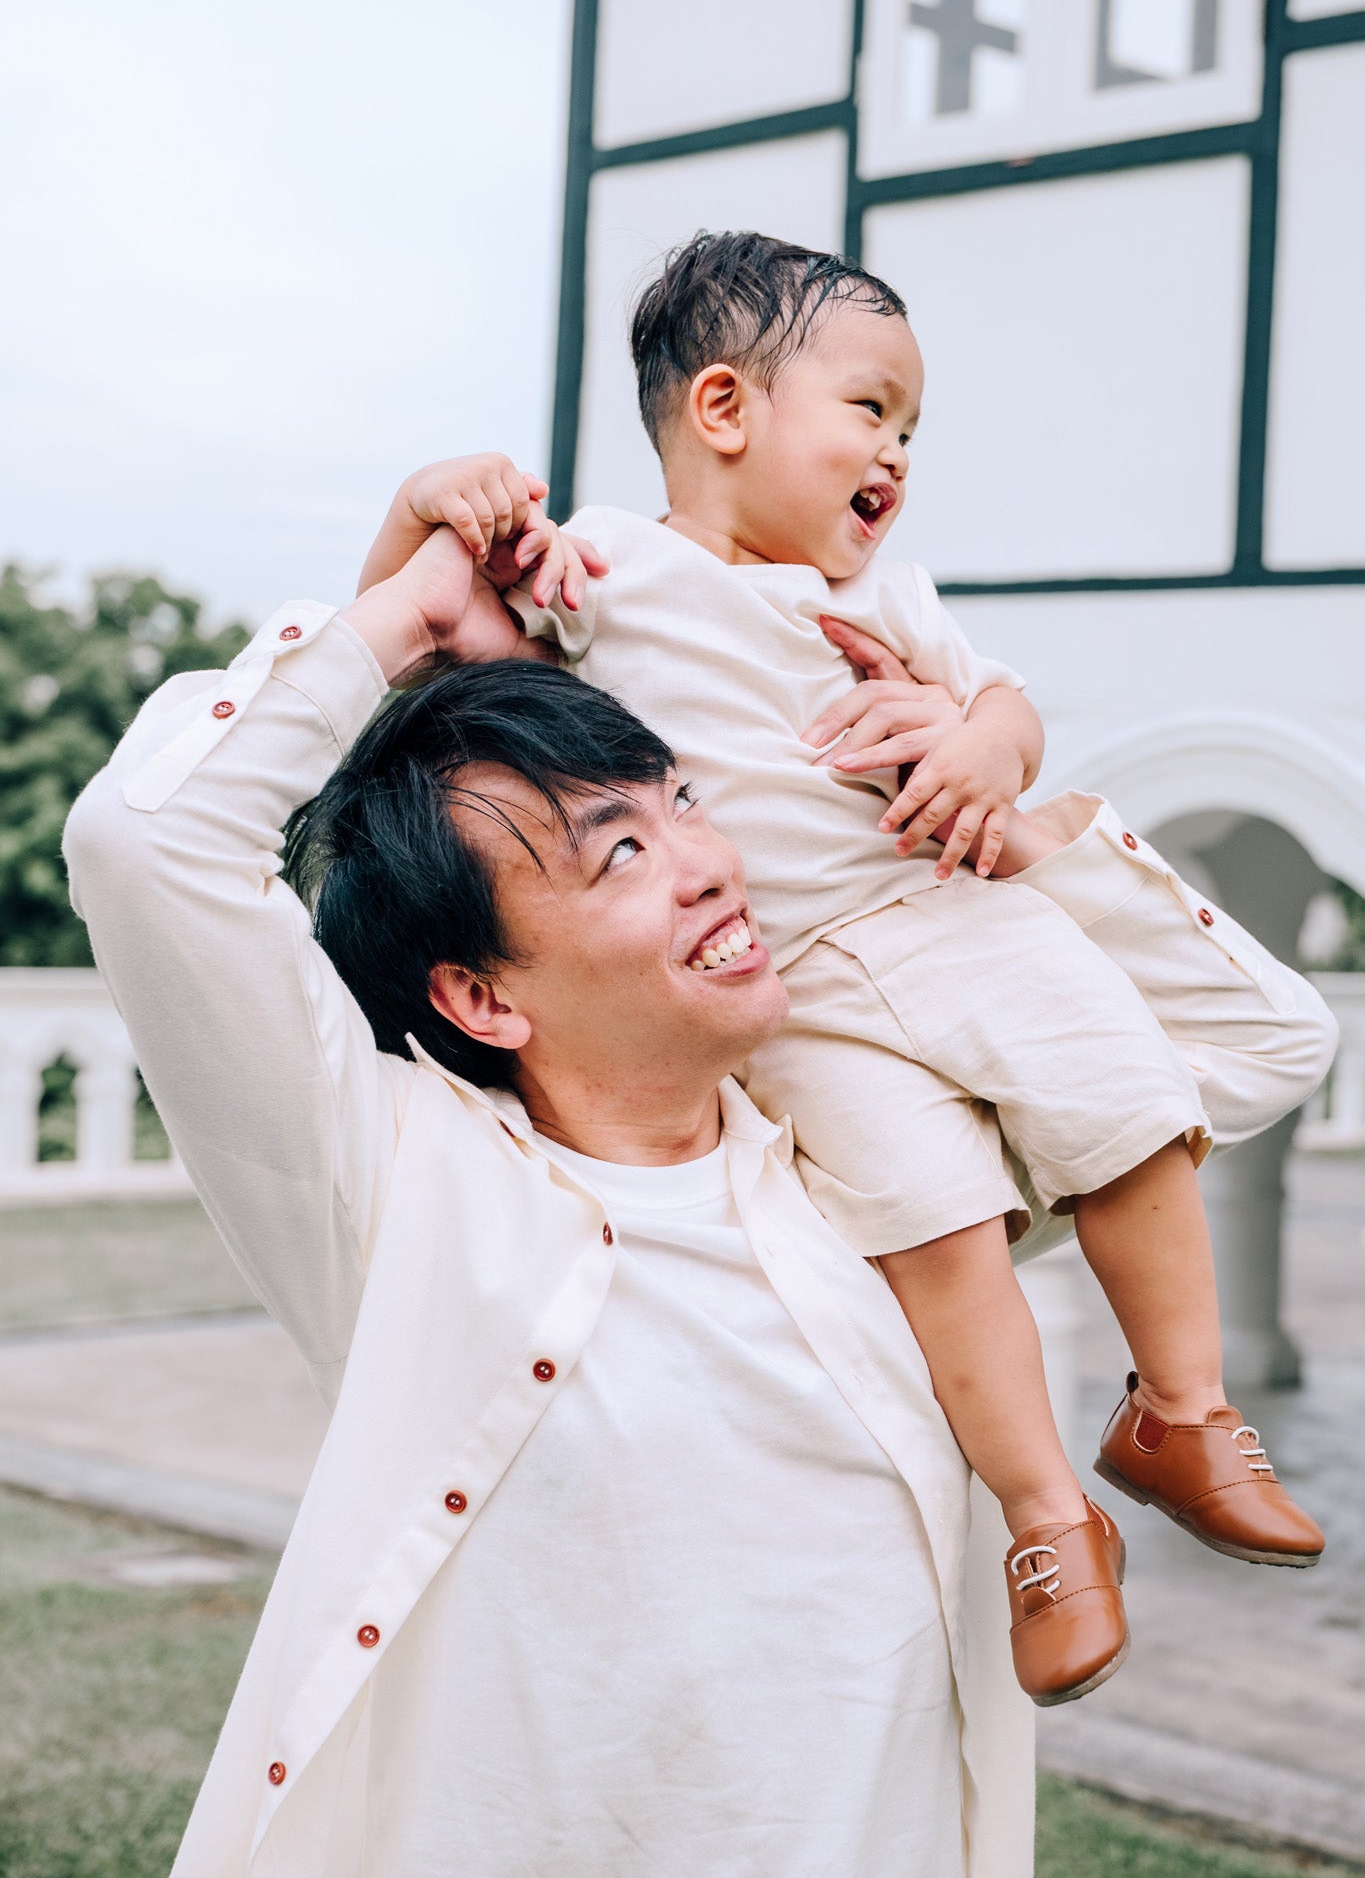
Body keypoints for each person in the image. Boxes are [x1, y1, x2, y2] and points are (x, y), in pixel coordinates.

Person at [65, 490, 1332, 1877]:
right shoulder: (391, 1187)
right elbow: (148, 850)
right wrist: (408, 625)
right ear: (480, 996)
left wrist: (1012, 824)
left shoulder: (881, 1184)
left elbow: (1252, 1043)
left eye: (684, 806)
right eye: (620, 852)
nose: (710, 869)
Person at [371, 231, 1337, 1711]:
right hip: (793, 993)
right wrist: (439, 508)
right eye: (870, 409)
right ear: (722, 411)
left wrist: (980, 755)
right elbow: (439, 659)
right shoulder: (612, 573)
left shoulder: (889, 604)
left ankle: (1181, 1415)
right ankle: (1044, 1522)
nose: (896, 453)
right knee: (933, 1228)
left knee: (1126, 1106)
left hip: (949, 913)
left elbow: (1002, 706)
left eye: (910, 429)